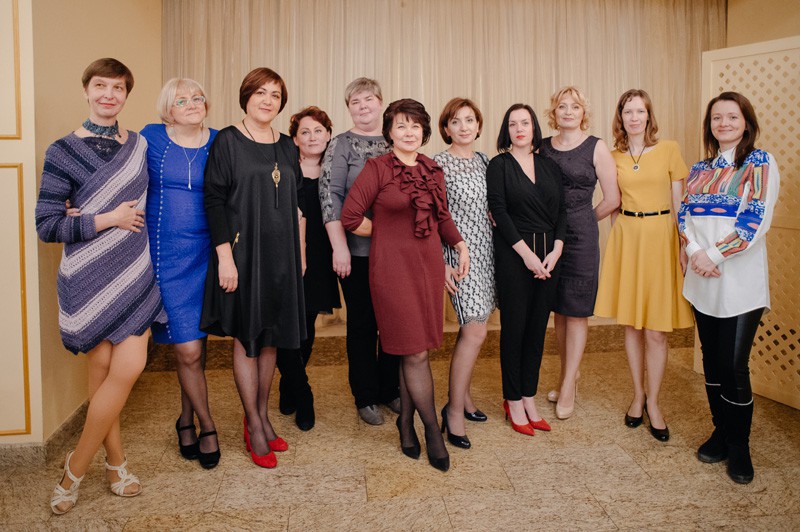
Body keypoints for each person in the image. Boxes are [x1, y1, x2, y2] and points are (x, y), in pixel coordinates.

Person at [37, 58, 166, 515]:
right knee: (102, 370)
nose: (108, 94)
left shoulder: (140, 145)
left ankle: (73, 468)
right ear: (86, 90)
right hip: (88, 276)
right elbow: (47, 226)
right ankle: (116, 464)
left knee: (128, 367)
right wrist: (106, 218)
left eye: (117, 88)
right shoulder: (62, 151)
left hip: (133, 269)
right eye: (100, 86)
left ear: (126, 95)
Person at [341, 99, 469, 472]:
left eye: (415, 126)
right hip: (392, 271)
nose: (409, 132)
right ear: (389, 132)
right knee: (414, 353)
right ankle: (431, 430)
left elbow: (442, 218)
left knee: (412, 348)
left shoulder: (432, 169)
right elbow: (350, 216)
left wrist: (460, 245)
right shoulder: (377, 168)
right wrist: (389, 232)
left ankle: (406, 424)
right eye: (401, 125)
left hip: (427, 268)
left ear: (424, 131)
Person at [200, 67, 305, 469]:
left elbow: (296, 204)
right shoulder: (227, 140)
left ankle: (259, 416)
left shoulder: (287, 145)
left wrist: (300, 253)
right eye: (260, 92)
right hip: (243, 255)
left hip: (281, 255)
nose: (267, 100)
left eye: (275, 95)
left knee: (272, 336)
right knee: (248, 336)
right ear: (246, 96)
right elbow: (214, 200)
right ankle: (256, 425)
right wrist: (225, 258)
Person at [679, 92, 780, 484]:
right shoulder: (700, 168)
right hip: (701, 278)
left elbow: (755, 219)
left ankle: (740, 446)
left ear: (746, 122)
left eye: (732, 117)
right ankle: (720, 432)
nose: (723, 123)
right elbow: (684, 215)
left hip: (738, 280)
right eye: (717, 118)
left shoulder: (759, 162)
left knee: (733, 365)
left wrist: (713, 255)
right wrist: (694, 252)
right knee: (712, 360)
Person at [595, 89, 694, 442]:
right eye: (628, 112)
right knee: (632, 326)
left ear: (649, 116)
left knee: (656, 330)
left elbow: (680, 205)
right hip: (628, 238)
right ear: (620, 117)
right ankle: (637, 396)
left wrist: (684, 246)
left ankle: (654, 402)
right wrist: (617, 242)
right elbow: (613, 202)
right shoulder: (612, 156)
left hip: (661, 237)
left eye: (640, 111)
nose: (634, 117)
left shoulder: (669, 149)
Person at [140, 78, 220, 468]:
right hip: (166, 256)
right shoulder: (151, 137)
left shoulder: (219, 141)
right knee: (187, 348)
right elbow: (117, 174)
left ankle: (185, 419)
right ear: (168, 110)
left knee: (196, 347)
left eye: (197, 98)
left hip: (209, 254)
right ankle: (208, 427)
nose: (192, 104)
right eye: (182, 100)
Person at [319, 77, 400, 425]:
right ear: (349, 108)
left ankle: (391, 389)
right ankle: (365, 395)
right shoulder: (340, 144)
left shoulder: (396, 140)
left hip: (396, 254)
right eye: (355, 101)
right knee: (363, 324)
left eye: (368, 99)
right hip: (356, 252)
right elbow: (329, 195)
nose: (363, 106)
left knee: (393, 322)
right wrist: (339, 247)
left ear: (381, 102)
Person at [539, 87, 619, 420]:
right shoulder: (542, 147)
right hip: (548, 238)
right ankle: (567, 375)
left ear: (583, 113)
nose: (568, 111)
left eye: (575, 106)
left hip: (582, 239)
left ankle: (569, 386)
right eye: (562, 106)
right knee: (559, 311)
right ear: (554, 113)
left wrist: (585, 218)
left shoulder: (596, 147)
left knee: (576, 312)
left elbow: (612, 199)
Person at [486, 103, 566, 437]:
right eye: (513, 124)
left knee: (536, 331)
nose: (519, 129)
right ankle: (513, 400)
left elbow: (562, 212)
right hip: (515, 256)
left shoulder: (550, 166)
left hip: (549, 258)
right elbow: (499, 212)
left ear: (534, 128)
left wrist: (556, 250)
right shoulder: (499, 165)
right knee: (515, 330)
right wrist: (528, 256)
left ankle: (529, 397)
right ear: (506, 130)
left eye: (525, 123)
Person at [433, 98, 496, 449]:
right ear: (446, 128)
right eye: (455, 121)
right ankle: (453, 412)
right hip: (459, 256)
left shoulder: (485, 160)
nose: (463, 127)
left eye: (469, 120)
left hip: (488, 255)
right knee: (474, 330)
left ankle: (465, 398)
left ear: (478, 125)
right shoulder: (437, 164)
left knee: (475, 330)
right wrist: (440, 262)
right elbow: (433, 217)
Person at [276, 106, 341, 431]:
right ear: (295, 139)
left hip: (322, 256)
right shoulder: (284, 169)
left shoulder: (335, 170)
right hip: (287, 256)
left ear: (328, 135)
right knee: (286, 327)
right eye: (305, 131)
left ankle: (288, 383)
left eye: (318, 130)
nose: (312, 137)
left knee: (307, 327)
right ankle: (303, 393)